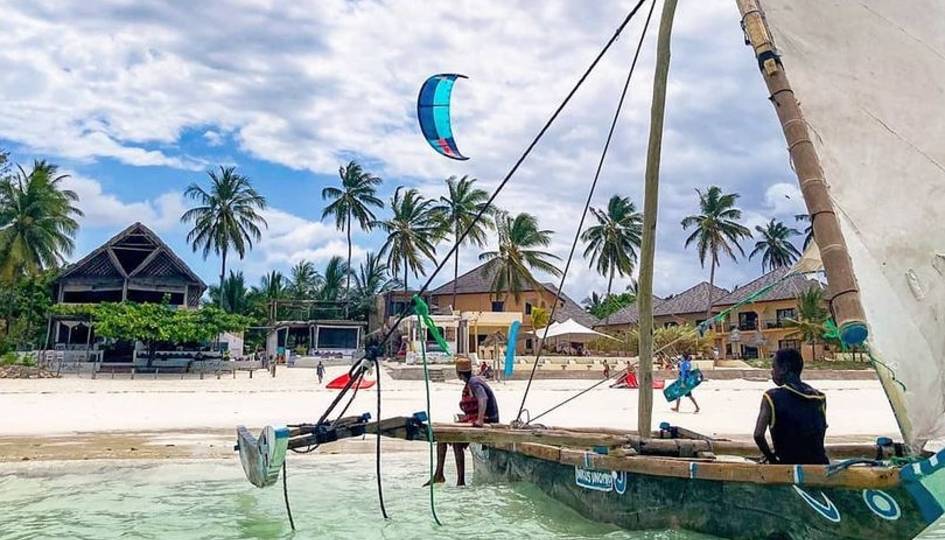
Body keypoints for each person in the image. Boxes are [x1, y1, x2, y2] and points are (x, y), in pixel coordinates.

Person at [425, 357, 499, 486]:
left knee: (456, 441)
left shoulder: (474, 383)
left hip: (487, 420)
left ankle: (460, 481)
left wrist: (480, 420)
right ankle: (439, 474)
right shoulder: (471, 382)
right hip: (475, 418)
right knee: (442, 436)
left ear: (458, 373)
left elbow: (483, 399)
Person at [753, 348, 828, 464]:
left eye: (774, 367)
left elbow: (758, 435)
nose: (772, 372)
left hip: (789, 465)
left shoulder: (771, 397)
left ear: (784, 369)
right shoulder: (819, 397)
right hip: (820, 464)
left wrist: (773, 460)